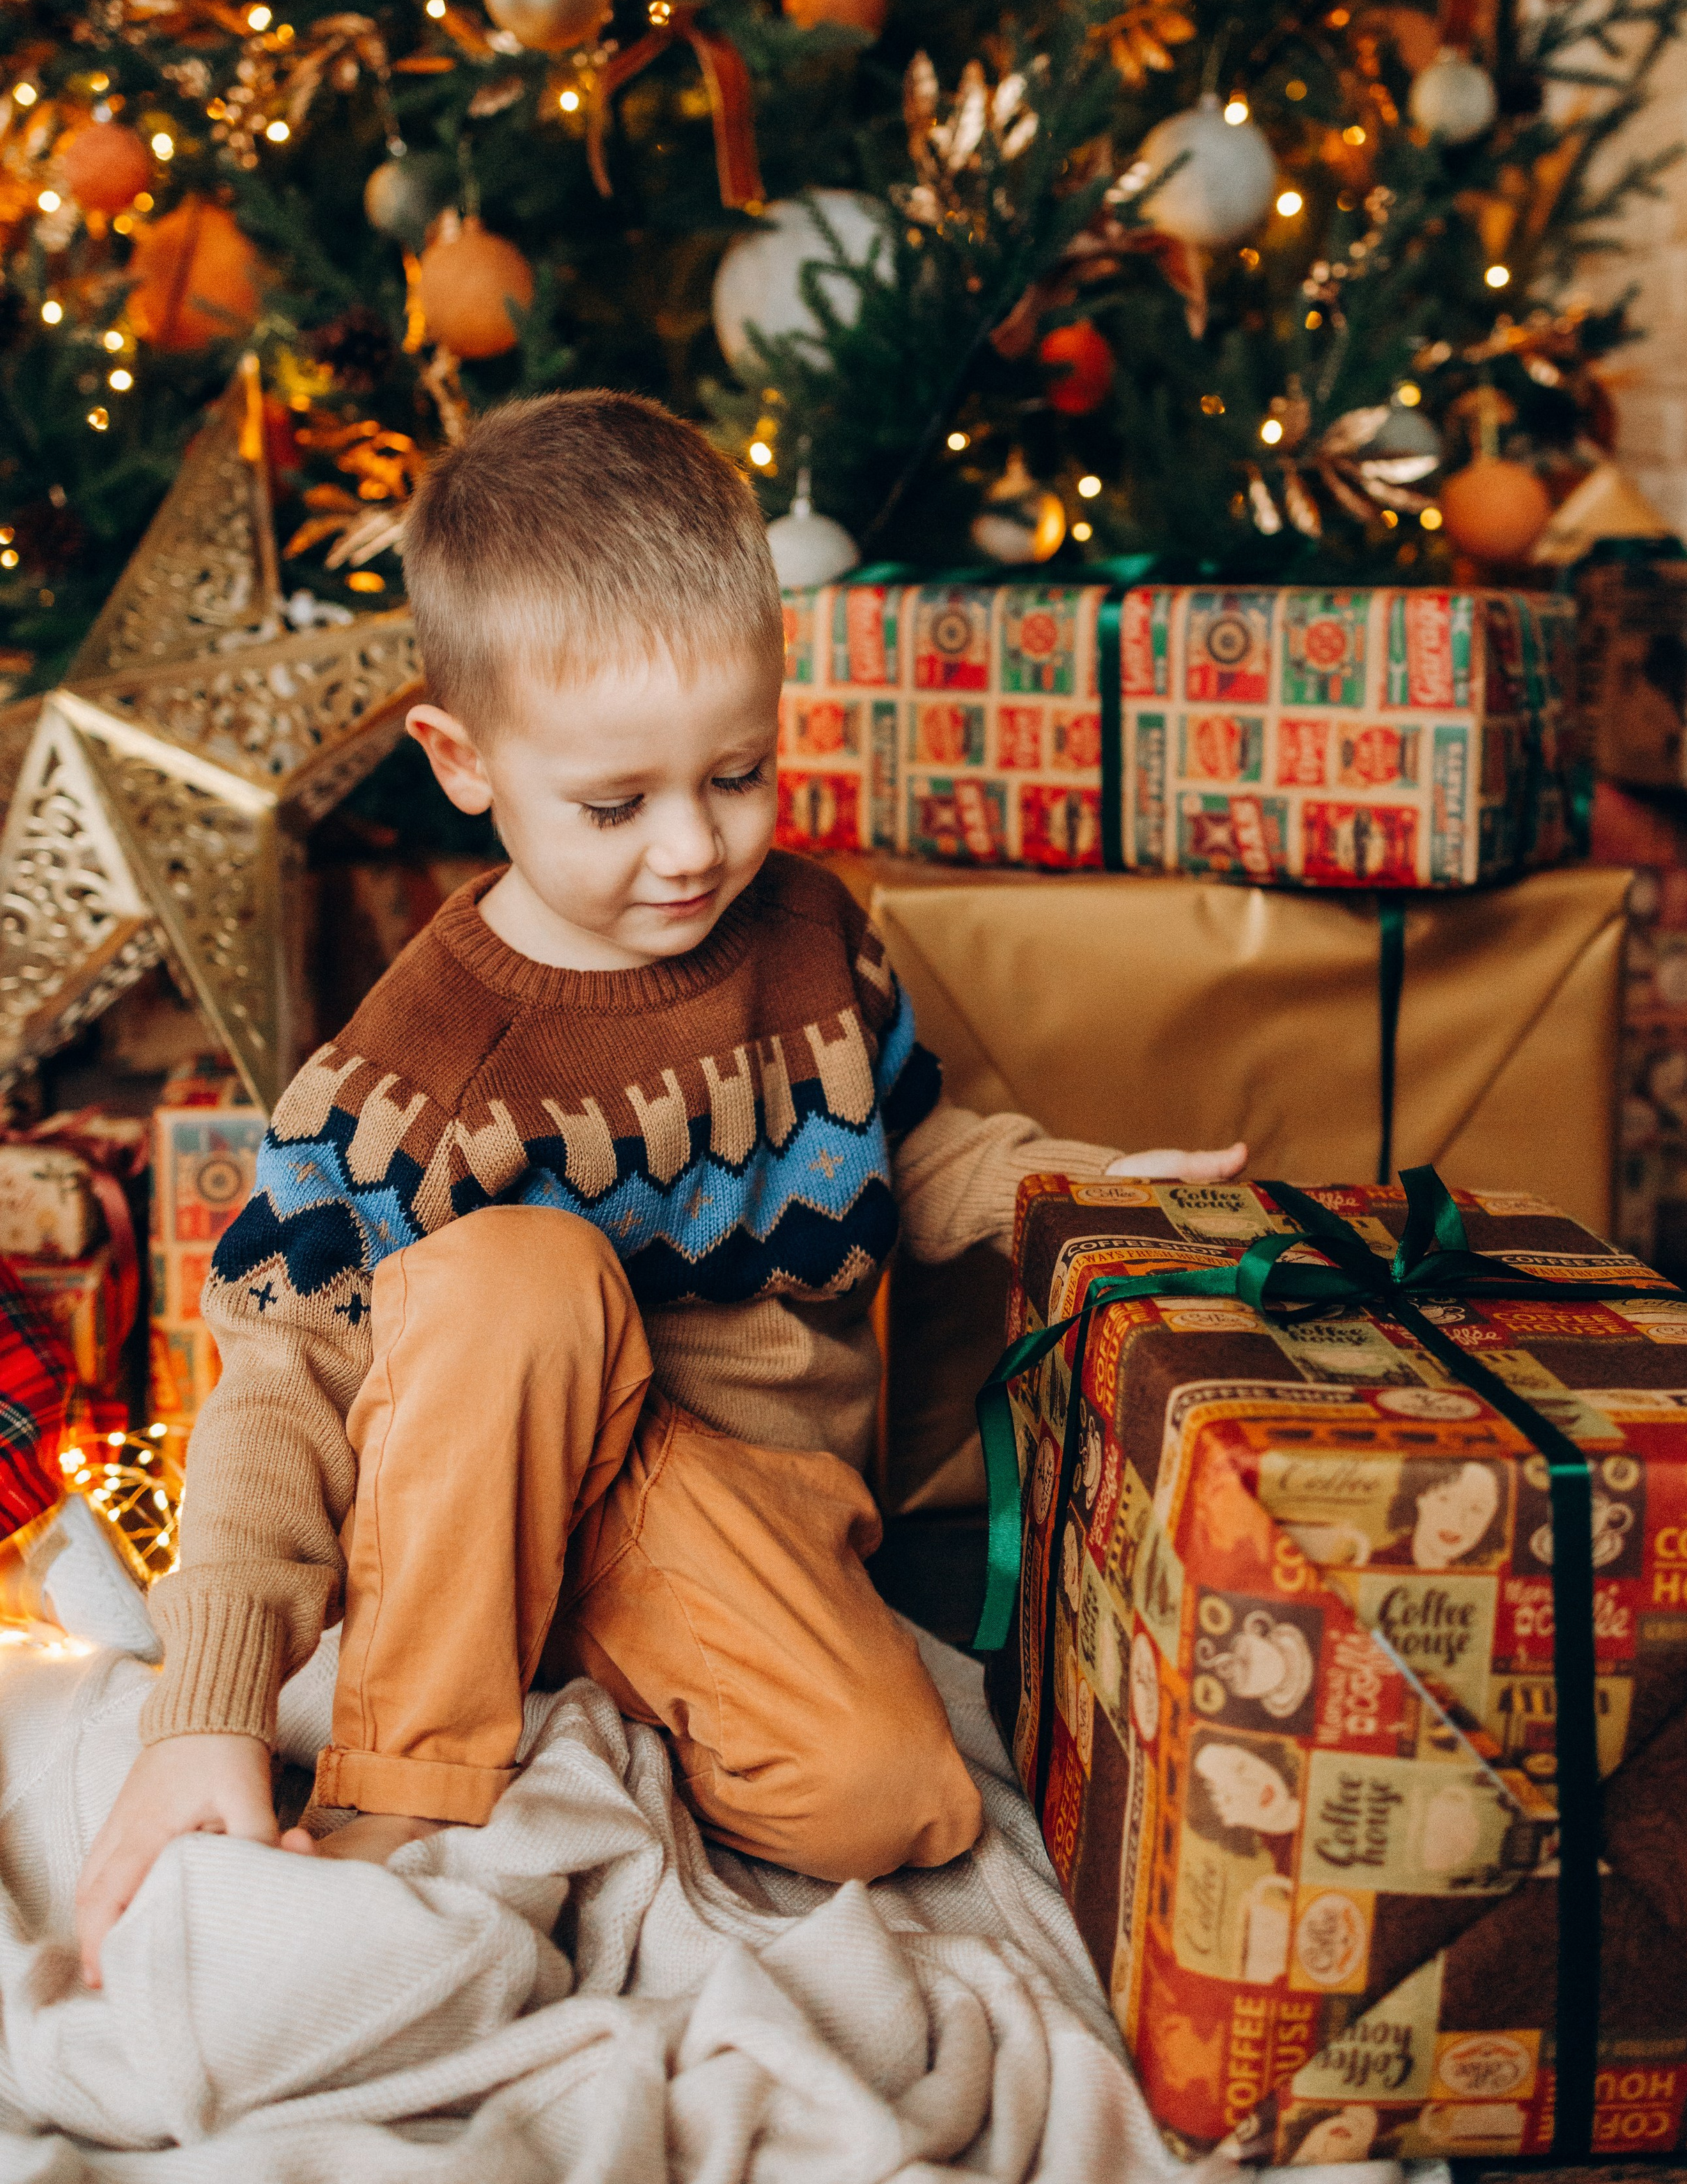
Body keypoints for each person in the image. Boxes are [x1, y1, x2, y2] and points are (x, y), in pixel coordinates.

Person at [75, 390, 1248, 1985]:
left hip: (731, 1511)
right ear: (462, 761)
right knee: (523, 1275)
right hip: (487, 1460)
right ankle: (399, 1805)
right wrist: (205, 1709)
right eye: (616, 806)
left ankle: (589, 1671)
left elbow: (910, 1141)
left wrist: (1088, 1192)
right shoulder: (417, 1066)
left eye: (739, 773)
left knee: (896, 1802)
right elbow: (277, 1384)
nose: (693, 849)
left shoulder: (811, 935)